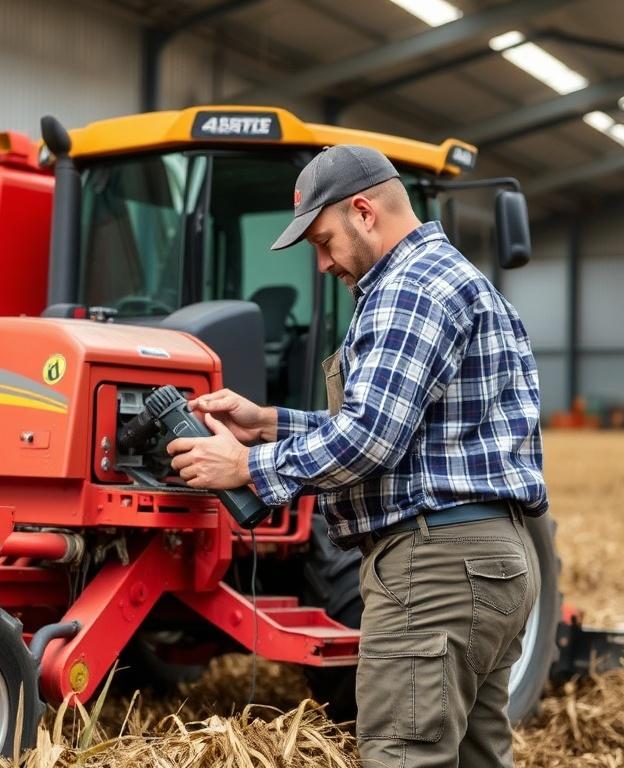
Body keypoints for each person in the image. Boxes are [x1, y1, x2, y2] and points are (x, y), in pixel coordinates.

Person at [166, 144, 547, 767]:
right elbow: (412, 431)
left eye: (323, 241)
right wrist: (268, 424)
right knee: (479, 756)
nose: (320, 264)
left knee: (402, 755)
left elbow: (371, 437)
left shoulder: (409, 288)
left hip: (435, 571)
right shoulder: (453, 278)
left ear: (364, 212)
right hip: (492, 561)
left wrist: (246, 470)